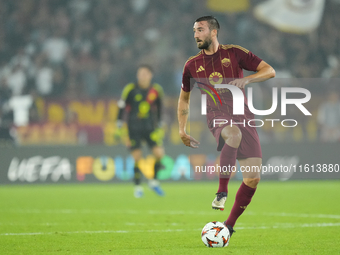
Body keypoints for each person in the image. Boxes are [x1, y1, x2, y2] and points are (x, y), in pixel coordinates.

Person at [178, 16, 275, 237]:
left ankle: (228, 227)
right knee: (233, 133)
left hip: (243, 115)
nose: (195, 35)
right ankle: (221, 191)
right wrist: (182, 129)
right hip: (217, 115)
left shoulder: (234, 53)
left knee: (252, 178)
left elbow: (270, 70)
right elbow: (183, 98)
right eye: (194, 30)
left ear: (213, 32)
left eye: (200, 30)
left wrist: (247, 80)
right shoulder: (191, 65)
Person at [117, 64, 165, 198]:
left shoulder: (156, 90)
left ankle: (154, 182)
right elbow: (121, 106)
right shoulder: (130, 89)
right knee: (137, 157)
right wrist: (119, 122)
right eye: (140, 74)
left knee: (159, 154)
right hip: (134, 128)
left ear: (150, 75)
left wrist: (160, 122)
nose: (142, 76)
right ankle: (138, 187)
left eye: (144, 73)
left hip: (150, 127)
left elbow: (160, 106)